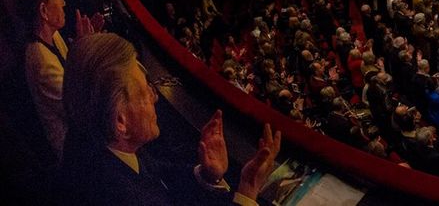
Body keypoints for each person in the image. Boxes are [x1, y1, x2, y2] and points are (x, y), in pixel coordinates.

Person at [59, 33, 281, 206]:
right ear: (120, 121)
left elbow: (158, 175)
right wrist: (248, 190)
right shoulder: (119, 196)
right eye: (144, 91)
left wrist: (206, 174)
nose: (154, 96)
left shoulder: (94, 140)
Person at [18, 0, 101, 160]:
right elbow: (81, 109)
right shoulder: (41, 62)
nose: (64, 2)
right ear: (44, 11)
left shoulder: (52, 36)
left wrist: (82, 44)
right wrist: (87, 50)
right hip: (75, 151)